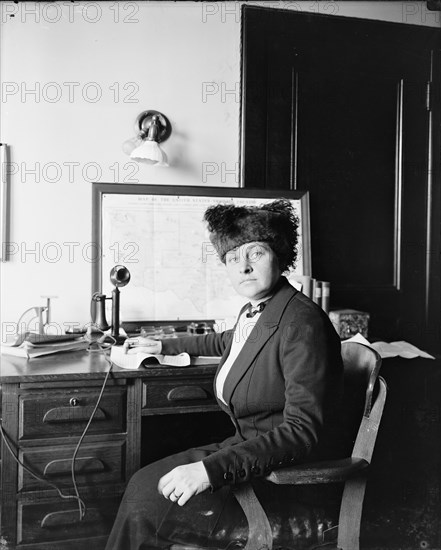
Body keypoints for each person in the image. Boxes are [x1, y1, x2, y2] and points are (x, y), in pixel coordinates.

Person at [105, 199, 343, 550]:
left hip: (278, 479)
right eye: (233, 258)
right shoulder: (263, 310)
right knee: (143, 484)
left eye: (255, 254)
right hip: (246, 455)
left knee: (145, 502)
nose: (243, 267)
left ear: (279, 255)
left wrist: (210, 471)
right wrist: (165, 345)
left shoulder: (302, 322)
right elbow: (230, 340)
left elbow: (301, 432)